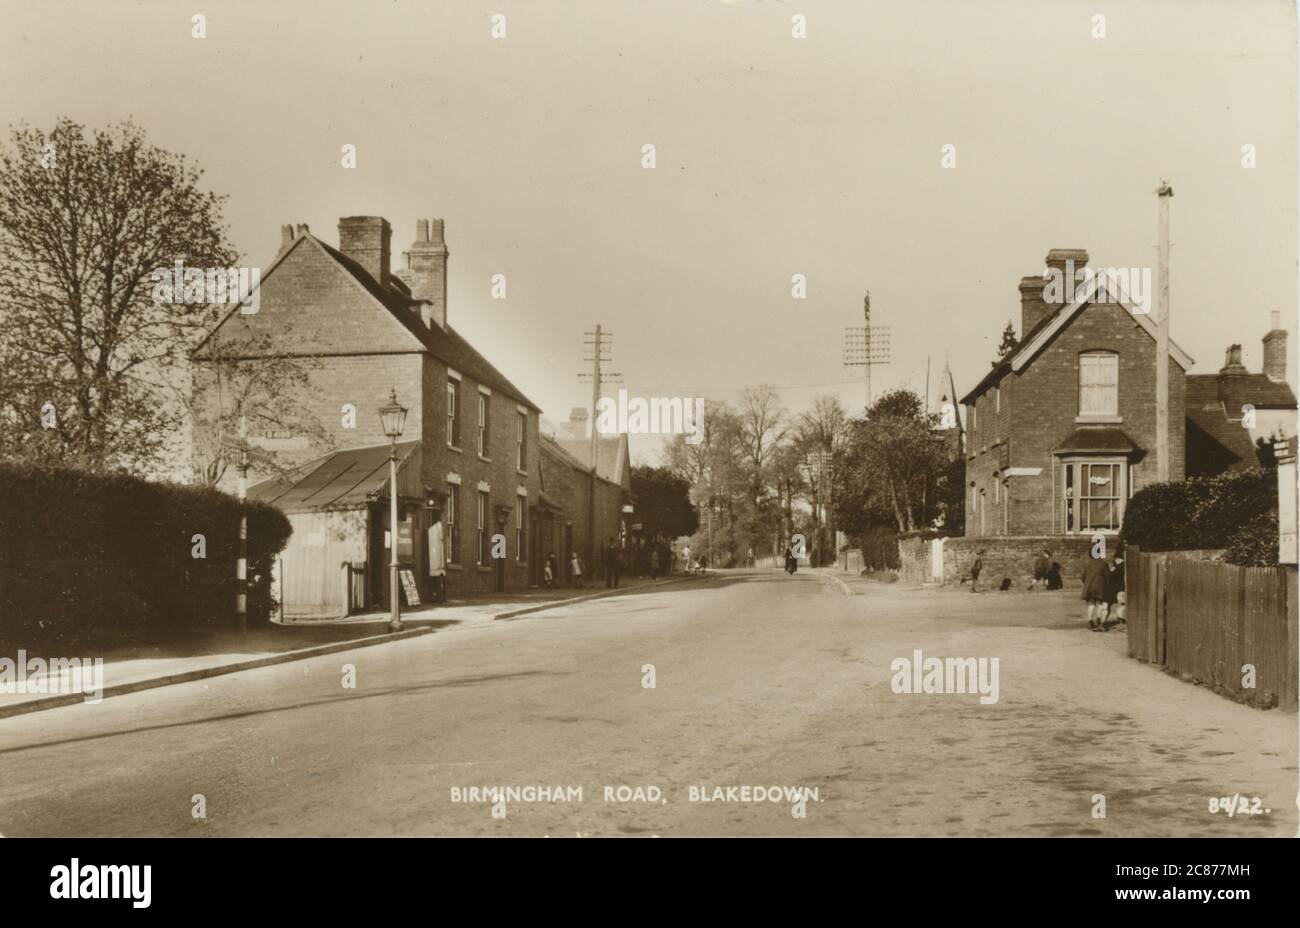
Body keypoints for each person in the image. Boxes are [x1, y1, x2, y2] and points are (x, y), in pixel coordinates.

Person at [1082, 551, 1109, 630]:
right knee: (1100, 603)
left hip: (1089, 587)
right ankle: (1099, 620)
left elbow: (1083, 577)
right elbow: (1107, 577)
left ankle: (1090, 622)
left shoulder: (1087, 564)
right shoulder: (1103, 564)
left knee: (1091, 604)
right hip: (1100, 586)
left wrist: (1087, 583)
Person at [426, 512, 447, 603]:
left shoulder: (437, 533)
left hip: (438, 567)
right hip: (436, 567)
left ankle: (439, 597)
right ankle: (438, 597)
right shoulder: (433, 531)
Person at [1102, 553, 1126, 630]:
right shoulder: (1123, 567)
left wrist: (1111, 570)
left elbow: (1110, 577)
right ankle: (1121, 621)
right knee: (1121, 605)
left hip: (1113, 589)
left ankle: (1103, 623)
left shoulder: (1118, 568)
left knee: (1107, 606)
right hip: (1120, 589)